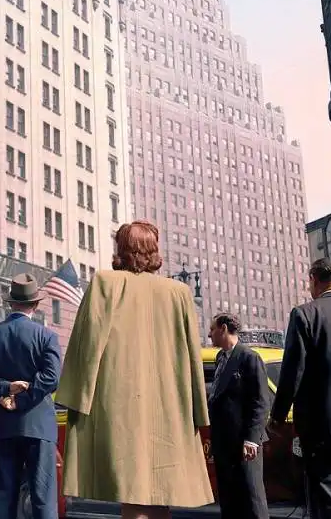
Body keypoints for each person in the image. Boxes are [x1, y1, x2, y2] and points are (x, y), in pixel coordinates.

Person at [56, 221, 213, 519]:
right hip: (170, 407)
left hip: (121, 408)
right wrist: (197, 410)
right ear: (154, 251)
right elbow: (193, 355)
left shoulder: (105, 283)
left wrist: (75, 398)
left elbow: (85, 347)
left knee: (134, 494)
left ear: (121, 250)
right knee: (159, 496)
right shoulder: (179, 292)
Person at [0, 273, 62, 519]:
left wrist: (4, 389)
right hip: (38, 425)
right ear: (36, 304)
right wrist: (21, 398)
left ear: (10, 303)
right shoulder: (47, 337)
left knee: (0, 498)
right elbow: (51, 378)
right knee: (43, 499)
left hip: (3, 425)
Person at [270, 258, 331, 519]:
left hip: (321, 426)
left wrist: (277, 415)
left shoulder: (305, 314)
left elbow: (292, 371)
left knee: (327, 495)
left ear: (314, 280)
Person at [207, 313, 270, 519]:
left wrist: (252, 439)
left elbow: (260, 402)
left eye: (213, 329)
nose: (209, 334)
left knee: (251, 499)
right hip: (224, 442)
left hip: (244, 443)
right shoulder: (220, 358)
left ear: (224, 329)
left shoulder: (248, 357)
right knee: (229, 500)